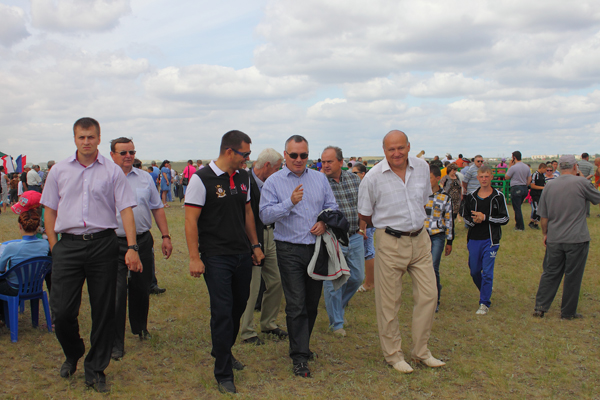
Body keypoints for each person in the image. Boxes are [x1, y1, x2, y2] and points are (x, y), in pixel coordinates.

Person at [40, 117, 141, 393]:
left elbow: (126, 209)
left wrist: (132, 248)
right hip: (68, 246)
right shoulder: (59, 171)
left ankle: (96, 368)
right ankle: (73, 352)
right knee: (61, 311)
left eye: (91, 137)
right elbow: (49, 210)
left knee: (104, 310)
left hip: (103, 245)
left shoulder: (112, 171)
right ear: (74, 139)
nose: (86, 142)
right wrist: (54, 245)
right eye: (81, 137)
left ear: (98, 138)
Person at [357, 130, 444, 374]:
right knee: (389, 302)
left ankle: (421, 352)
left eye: (400, 148)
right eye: (391, 149)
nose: (396, 153)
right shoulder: (372, 178)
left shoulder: (422, 167)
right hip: (390, 242)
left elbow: (423, 198)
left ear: (408, 146)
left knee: (429, 295)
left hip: (420, 239)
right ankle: (394, 355)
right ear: (384, 151)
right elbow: (364, 214)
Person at [184, 130, 265, 394]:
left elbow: (248, 212)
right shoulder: (201, 179)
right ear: (229, 151)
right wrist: (194, 257)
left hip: (242, 253)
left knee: (238, 308)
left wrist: (255, 245)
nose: (248, 159)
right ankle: (223, 372)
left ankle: (223, 350)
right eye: (245, 154)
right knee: (222, 311)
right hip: (215, 256)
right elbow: (190, 221)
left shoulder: (243, 177)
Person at [259, 135, 338, 378]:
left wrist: (324, 222)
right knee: (295, 305)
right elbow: (265, 216)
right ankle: (299, 357)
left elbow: (332, 207)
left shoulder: (319, 179)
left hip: (316, 248)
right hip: (288, 249)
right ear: (285, 155)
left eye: (303, 155)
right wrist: (289, 203)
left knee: (311, 305)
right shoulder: (273, 182)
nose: (299, 159)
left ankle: (301, 345)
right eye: (294, 155)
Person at [109, 138, 173, 360]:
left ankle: (140, 327)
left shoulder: (145, 178)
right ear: (112, 155)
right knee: (116, 293)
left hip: (142, 240)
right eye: (123, 152)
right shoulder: (105, 178)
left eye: (132, 152)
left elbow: (157, 208)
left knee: (140, 287)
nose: (128, 155)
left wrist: (165, 236)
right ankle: (116, 342)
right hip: (112, 242)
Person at [533, 155, 600, 320]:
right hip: (577, 238)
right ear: (575, 167)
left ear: (559, 167)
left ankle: (540, 307)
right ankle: (568, 312)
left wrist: (545, 234)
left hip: (555, 237)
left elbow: (544, 216)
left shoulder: (549, 186)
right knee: (573, 275)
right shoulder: (581, 183)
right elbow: (596, 198)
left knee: (550, 272)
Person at [240, 148, 287, 345]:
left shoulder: (274, 182)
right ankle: (247, 331)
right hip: (253, 238)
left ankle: (268, 323)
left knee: (276, 281)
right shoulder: (245, 181)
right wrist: (252, 244)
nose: (279, 171)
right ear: (267, 166)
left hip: (271, 234)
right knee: (253, 285)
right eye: (277, 168)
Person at [320, 146, 365, 336]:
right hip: (333, 238)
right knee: (333, 282)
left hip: (355, 236)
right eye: (323, 161)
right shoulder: (319, 182)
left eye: (329, 161)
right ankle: (336, 323)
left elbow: (364, 204)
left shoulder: (355, 179)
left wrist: (362, 228)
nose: (325, 165)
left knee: (357, 277)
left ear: (341, 162)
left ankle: (338, 307)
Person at [463, 165, 509, 315]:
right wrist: (473, 221)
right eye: (481, 177)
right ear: (477, 178)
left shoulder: (498, 196)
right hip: (474, 239)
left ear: (491, 177)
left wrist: (485, 218)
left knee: (487, 273)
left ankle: (484, 302)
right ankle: (485, 289)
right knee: (475, 271)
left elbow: (505, 218)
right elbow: (466, 217)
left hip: (491, 240)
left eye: (486, 176)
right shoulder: (471, 196)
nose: (484, 179)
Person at [0, 196, 50, 322]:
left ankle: (4, 317)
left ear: (20, 226)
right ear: (37, 226)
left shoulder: (12, 247)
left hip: (15, 286)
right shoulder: (45, 245)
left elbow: (1, 270)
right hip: (34, 285)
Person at [426, 166, 453, 313]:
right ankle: (426, 296)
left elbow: (448, 220)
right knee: (422, 268)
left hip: (437, 236)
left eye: (429, 177)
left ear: (437, 178)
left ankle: (435, 299)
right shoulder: (420, 195)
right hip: (421, 236)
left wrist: (449, 240)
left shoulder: (445, 197)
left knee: (433, 267)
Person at [352, 163, 374, 292]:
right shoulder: (360, 185)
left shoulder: (365, 185)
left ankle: (370, 283)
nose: (352, 175)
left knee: (368, 252)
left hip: (366, 224)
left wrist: (363, 227)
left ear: (362, 174)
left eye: (355, 173)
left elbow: (365, 208)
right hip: (363, 224)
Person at [505, 151, 531, 231]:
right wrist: (525, 186)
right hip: (524, 188)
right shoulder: (526, 167)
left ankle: (520, 226)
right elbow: (529, 178)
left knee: (517, 209)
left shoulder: (513, 167)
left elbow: (507, 177)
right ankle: (518, 225)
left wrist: (509, 166)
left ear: (514, 158)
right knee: (518, 207)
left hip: (516, 188)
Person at [529, 163, 547, 230]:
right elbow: (532, 185)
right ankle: (532, 222)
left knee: (541, 210)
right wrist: (542, 188)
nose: (545, 171)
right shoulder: (535, 175)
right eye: (545, 169)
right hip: (535, 194)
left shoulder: (542, 175)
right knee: (536, 209)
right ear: (542, 168)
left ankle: (536, 224)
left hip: (541, 195)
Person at [577, 153, 595, 217]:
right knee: (587, 199)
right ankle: (587, 213)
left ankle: (579, 213)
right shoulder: (590, 165)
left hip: (578, 183)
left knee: (578, 198)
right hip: (587, 183)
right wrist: (585, 179)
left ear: (581, 157)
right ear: (587, 157)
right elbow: (591, 174)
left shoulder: (577, 164)